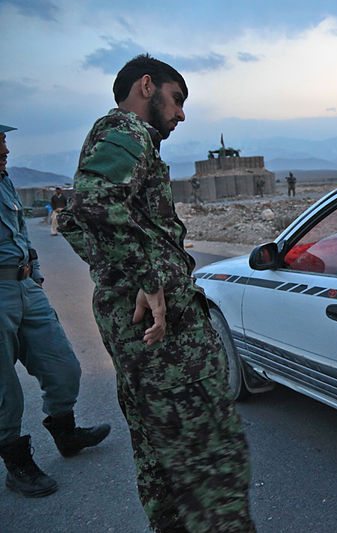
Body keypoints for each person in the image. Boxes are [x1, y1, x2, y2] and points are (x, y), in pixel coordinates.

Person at [58, 55, 255, 532]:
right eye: (177, 99)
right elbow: (91, 202)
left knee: (159, 453)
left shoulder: (116, 138)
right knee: (211, 456)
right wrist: (147, 279)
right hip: (163, 337)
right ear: (147, 86)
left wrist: (120, 272)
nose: (182, 114)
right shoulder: (128, 131)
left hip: (137, 327)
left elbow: (70, 218)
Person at [0, 123, 110, 498]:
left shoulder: (5, 181)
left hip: (25, 285)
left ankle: (65, 431)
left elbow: (18, 232)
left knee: (63, 365)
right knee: (4, 389)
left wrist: (36, 273)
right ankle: (16, 463)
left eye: (4, 141)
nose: (6, 148)